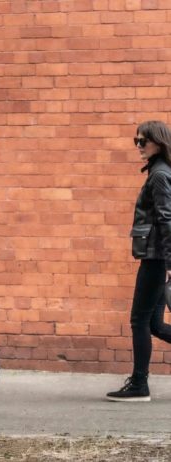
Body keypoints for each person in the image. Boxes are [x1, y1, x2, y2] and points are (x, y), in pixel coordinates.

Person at [107, 120, 171, 402]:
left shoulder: (159, 175)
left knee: (139, 320)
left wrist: (170, 263)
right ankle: (138, 382)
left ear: (158, 141)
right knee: (155, 324)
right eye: (137, 141)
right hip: (158, 256)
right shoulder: (160, 171)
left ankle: (139, 384)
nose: (139, 146)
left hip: (157, 258)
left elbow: (166, 219)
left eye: (143, 141)